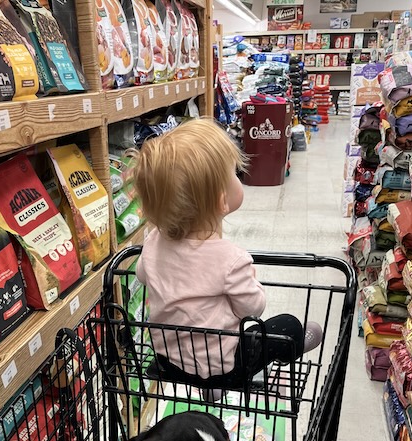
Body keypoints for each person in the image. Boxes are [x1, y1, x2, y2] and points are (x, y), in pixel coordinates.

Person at [130, 117, 322, 392]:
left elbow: (143, 275)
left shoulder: (153, 242)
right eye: (234, 173)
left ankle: (207, 381)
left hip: (168, 363)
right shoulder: (231, 259)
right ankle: (286, 349)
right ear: (222, 200)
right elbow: (253, 309)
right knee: (287, 326)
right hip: (224, 366)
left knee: (207, 343)